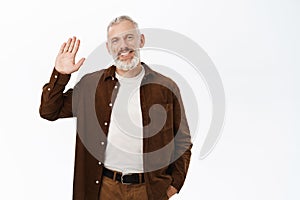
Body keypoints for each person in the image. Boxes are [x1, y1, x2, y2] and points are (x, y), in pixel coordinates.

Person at [39, 15, 192, 200]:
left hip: (149, 190)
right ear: (108, 48)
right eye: (115, 40)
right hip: (104, 188)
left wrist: (174, 185)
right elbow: (49, 111)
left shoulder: (166, 87)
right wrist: (60, 75)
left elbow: (182, 142)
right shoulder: (91, 85)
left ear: (141, 40)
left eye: (129, 37)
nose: (123, 46)